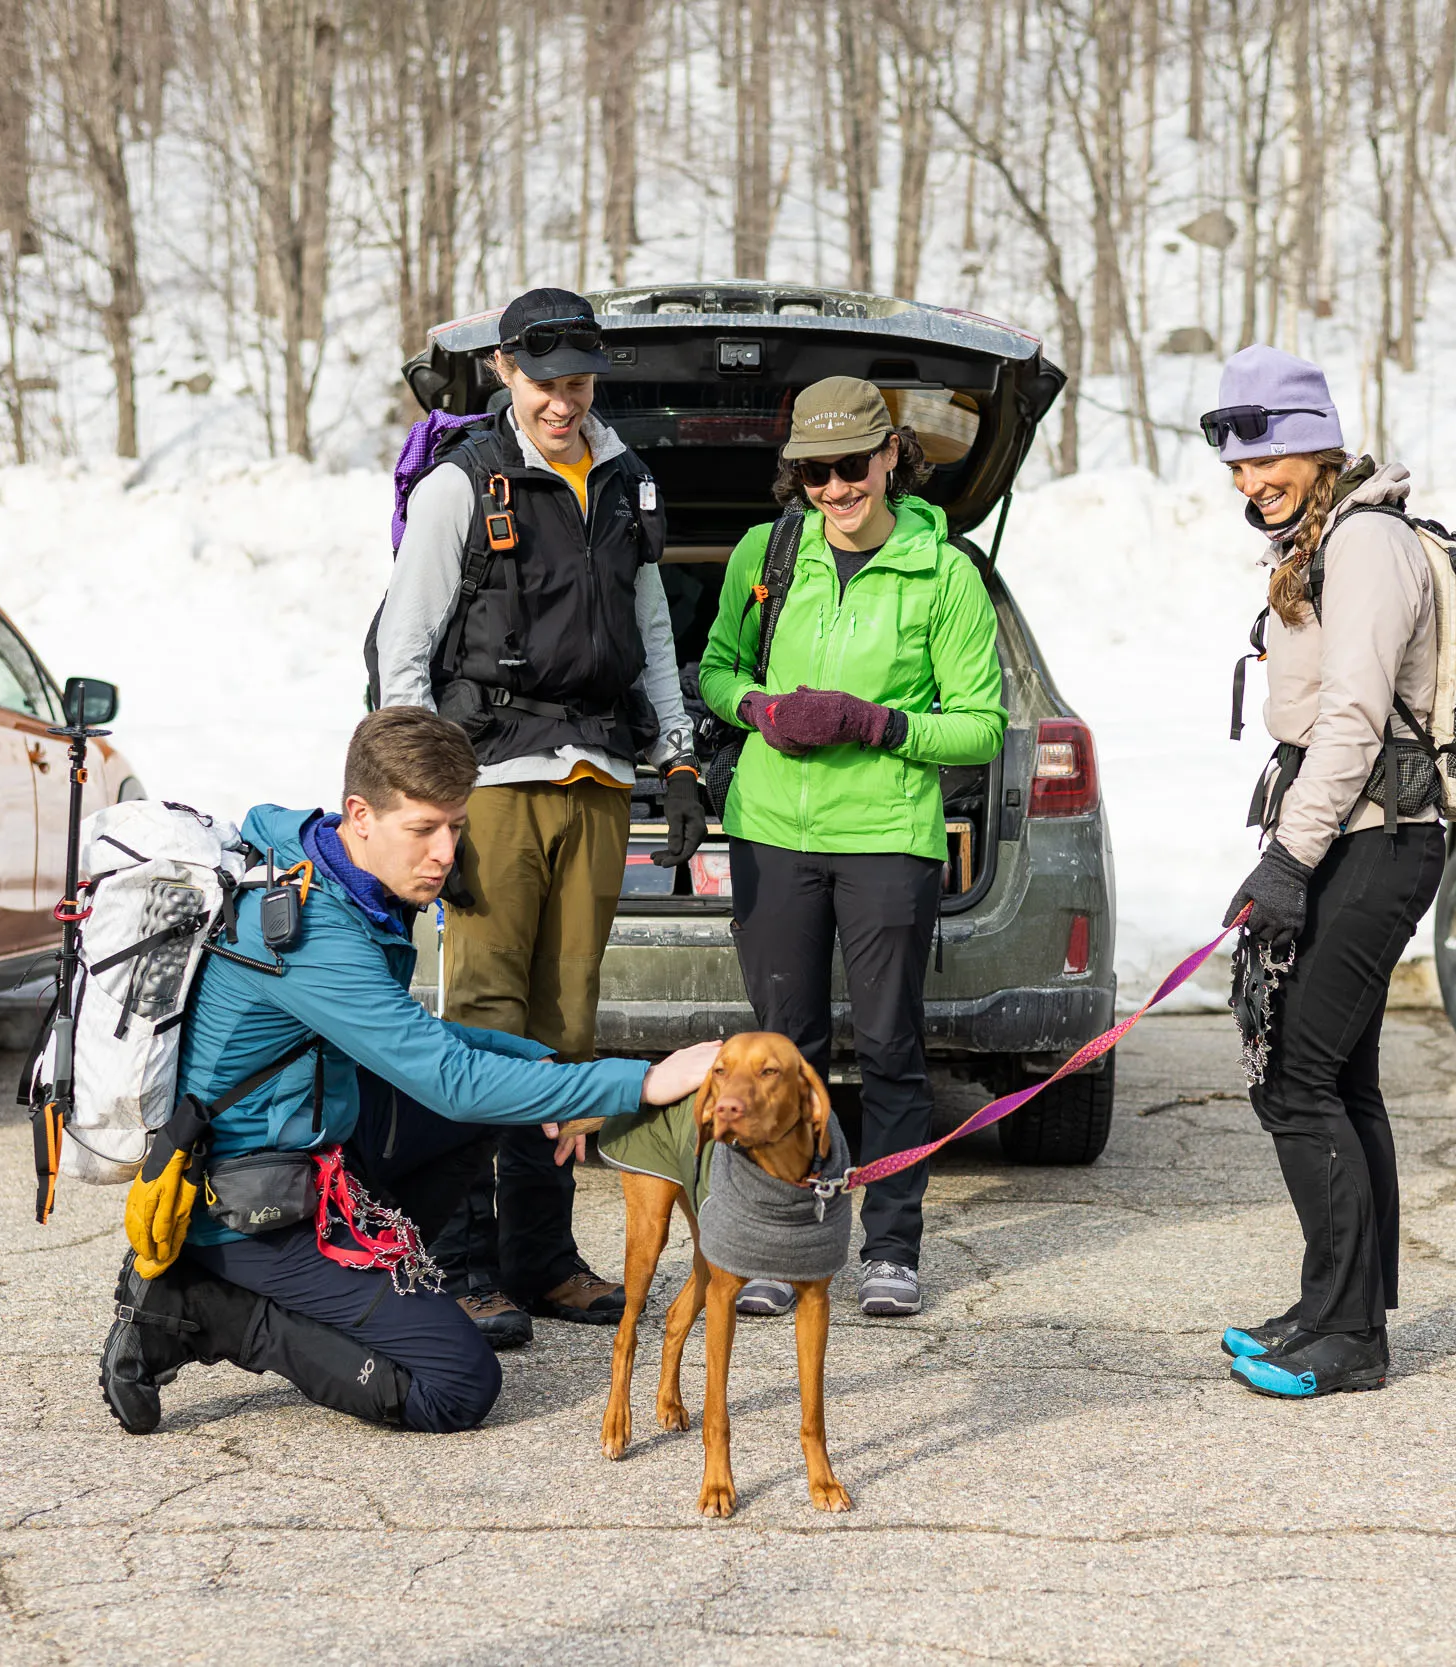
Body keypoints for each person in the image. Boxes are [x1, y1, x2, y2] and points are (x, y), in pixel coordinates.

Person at [100, 707, 720, 1434]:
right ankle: (205, 1309)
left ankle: (372, 1297)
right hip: (243, 1209)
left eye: (456, 826)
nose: (445, 852)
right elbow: (445, 1075)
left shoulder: (328, 873)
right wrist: (641, 1082)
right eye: (424, 829)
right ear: (359, 814)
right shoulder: (311, 930)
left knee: (484, 1106)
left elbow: (418, 1040)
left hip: (311, 1155)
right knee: (457, 1384)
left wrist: (546, 1065)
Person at [369, 287, 707, 1349]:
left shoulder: (625, 478)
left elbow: (651, 624)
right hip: (497, 780)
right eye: (545, 380)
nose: (564, 400)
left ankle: (541, 1257)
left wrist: (680, 754)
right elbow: (405, 653)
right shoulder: (460, 485)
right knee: (483, 1022)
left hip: (599, 778)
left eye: (578, 380)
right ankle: (464, 1261)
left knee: (563, 1036)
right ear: (507, 371)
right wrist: (430, 815)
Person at [697, 376, 1006, 1320]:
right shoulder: (767, 550)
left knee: (889, 1046)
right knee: (776, 1057)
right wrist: (756, 707)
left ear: (890, 456)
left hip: (885, 837)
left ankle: (892, 1246)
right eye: (815, 471)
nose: (835, 487)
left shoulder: (941, 570)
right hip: (773, 833)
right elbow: (714, 669)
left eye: (851, 466)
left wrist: (877, 723)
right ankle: (769, 1241)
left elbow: (982, 727)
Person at [1211, 346, 1446, 1400]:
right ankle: (1334, 1306)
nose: (1250, 481)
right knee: (1339, 1077)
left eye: (1268, 458)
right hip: (1352, 823)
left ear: (1317, 446)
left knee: (1295, 1076)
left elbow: (1353, 719)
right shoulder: (1325, 539)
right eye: (1235, 465)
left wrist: (1286, 859)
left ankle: (1351, 1338)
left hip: (1376, 830)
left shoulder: (1365, 543)